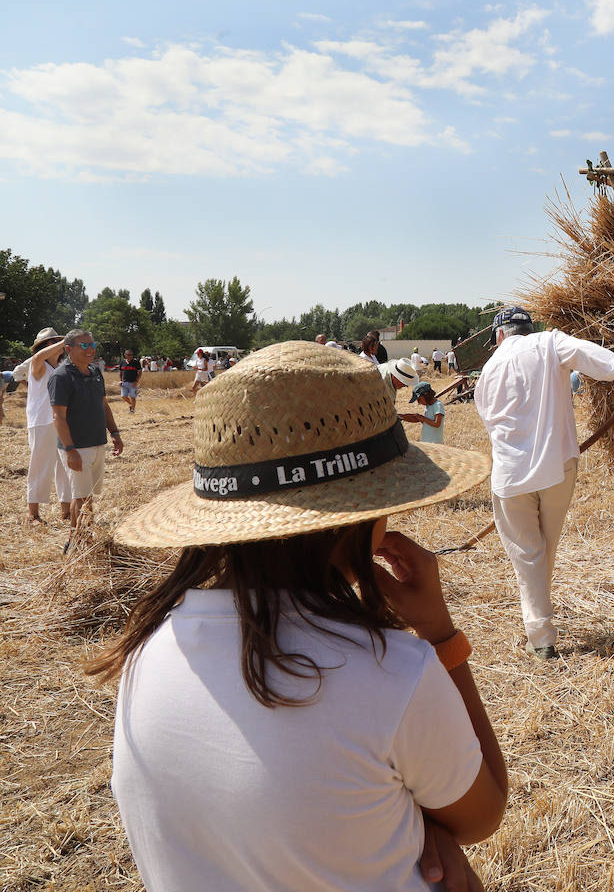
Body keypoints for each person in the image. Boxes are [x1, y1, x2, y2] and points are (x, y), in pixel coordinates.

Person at [90, 341, 505, 891]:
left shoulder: (147, 650)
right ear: (360, 516)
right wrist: (440, 635)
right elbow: (482, 813)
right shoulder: (389, 673)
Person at [474, 306, 614, 659]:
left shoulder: (488, 370)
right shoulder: (548, 342)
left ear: (499, 336)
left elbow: (489, 420)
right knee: (546, 548)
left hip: (511, 477)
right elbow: (589, 355)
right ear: (529, 329)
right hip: (557, 467)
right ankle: (538, 624)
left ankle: (541, 638)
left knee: (529, 555)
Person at [49, 330, 123, 533]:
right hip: (78, 446)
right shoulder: (61, 377)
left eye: (92, 344)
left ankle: (86, 537)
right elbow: (59, 418)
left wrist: (115, 434)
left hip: (98, 443)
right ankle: (76, 541)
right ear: (68, 349)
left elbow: (104, 406)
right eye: (84, 345)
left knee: (88, 495)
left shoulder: (95, 372)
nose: (90, 349)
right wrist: (70, 450)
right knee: (80, 496)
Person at [23, 328, 74, 524]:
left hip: (60, 421)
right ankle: (33, 514)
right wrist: (66, 341)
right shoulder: (38, 365)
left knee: (64, 467)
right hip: (41, 422)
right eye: (51, 343)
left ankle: (67, 512)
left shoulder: (62, 368)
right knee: (40, 466)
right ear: (45, 347)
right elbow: (36, 357)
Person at [119, 349, 143, 414]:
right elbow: (121, 372)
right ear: (125, 355)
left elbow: (140, 372)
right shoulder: (122, 362)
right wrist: (121, 381)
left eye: (131, 355)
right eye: (128, 355)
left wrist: (136, 381)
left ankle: (132, 410)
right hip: (124, 382)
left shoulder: (136, 362)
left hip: (133, 383)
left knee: (133, 397)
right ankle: (130, 404)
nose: (130, 356)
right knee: (123, 396)